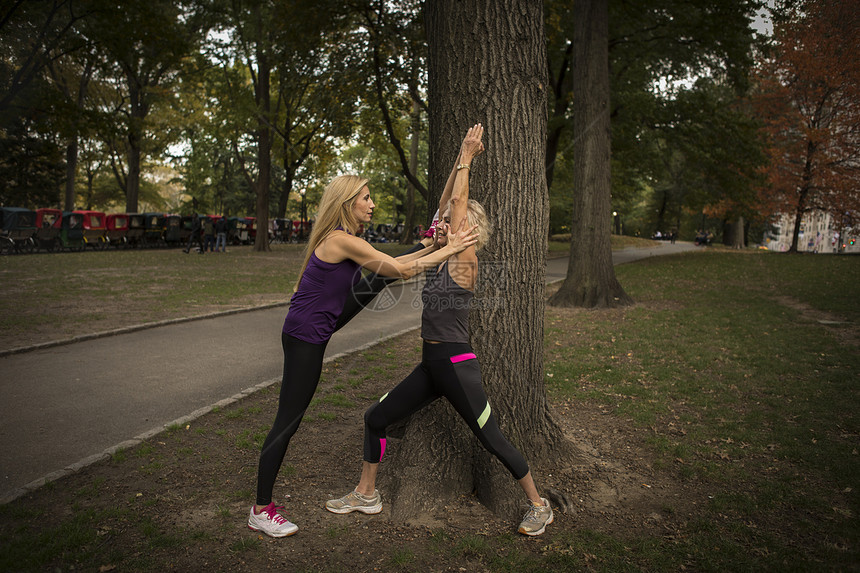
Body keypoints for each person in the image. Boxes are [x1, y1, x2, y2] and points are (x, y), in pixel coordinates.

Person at [325, 124, 554, 537]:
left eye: (451, 221)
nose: (443, 223)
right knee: (375, 418)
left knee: (492, 439)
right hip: (432, 366)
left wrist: (468, 158)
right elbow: (449, 199)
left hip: (456, 366)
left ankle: (539, 504)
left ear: (467, 229)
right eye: (444, 221)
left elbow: (458, 202)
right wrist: (458, 161)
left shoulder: (464, 257)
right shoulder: (442, 247)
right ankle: (366, 494)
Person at [247, 174, 480, 538]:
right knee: (288, 421)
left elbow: (388, 265)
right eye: (366, 198)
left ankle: (264, 507)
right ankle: (261, 510)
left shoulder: (349, 240)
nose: (372, 205)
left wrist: (429, 244)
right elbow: (401, 270)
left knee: (378, 278)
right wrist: (450, 248)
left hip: (311, 329)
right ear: (347, 203)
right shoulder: (340, 240)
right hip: (306, 337)